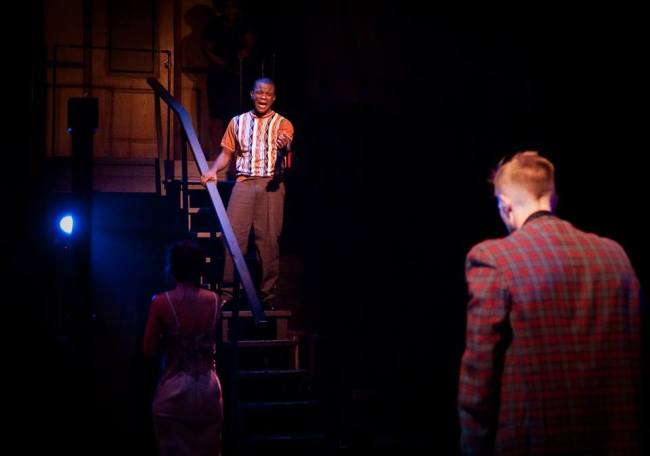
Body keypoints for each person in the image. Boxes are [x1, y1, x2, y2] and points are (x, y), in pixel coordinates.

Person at [458, 151, 642, 455]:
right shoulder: (615, 255)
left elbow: (478, 376)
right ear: (553, 198)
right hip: (615, 440)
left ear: (503, 204)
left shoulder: (494, 259)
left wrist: (472, 447)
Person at [201, 77, 293, 310]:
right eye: (260, 93)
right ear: (252, 94)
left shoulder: (283, 123)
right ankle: (228, 292)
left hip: (271, 185)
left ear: (274, 98)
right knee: (233, 236)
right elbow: (226, 154)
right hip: (243, 183)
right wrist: (213, 170)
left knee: (268, 239)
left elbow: (287, 144)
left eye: (268, 94)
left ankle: (267, 295)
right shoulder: (237, 122)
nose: (263, 97)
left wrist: (284, 144)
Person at [143, 240, 223, 456]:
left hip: (174, 392)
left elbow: (148, 350)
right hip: (208, 390)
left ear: (173, 266)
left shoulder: (160, 303)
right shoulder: (216, 300)